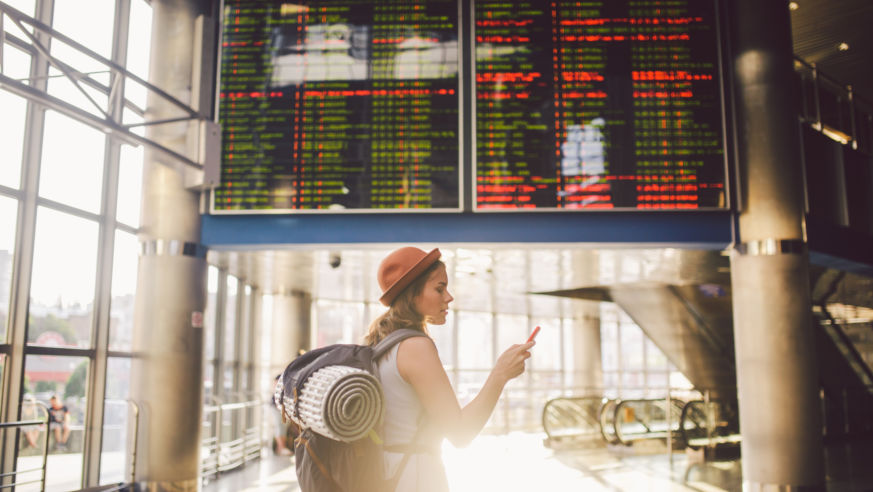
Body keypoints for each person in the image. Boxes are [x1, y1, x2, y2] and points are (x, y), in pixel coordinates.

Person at [366, 247, 535, 492]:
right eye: (439, 288)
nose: (449, 297)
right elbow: (460, 433)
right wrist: (500, 375)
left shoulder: (381, 344)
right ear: (412, 294)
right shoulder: (416, 347)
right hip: (416, 478)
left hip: (388, 475)